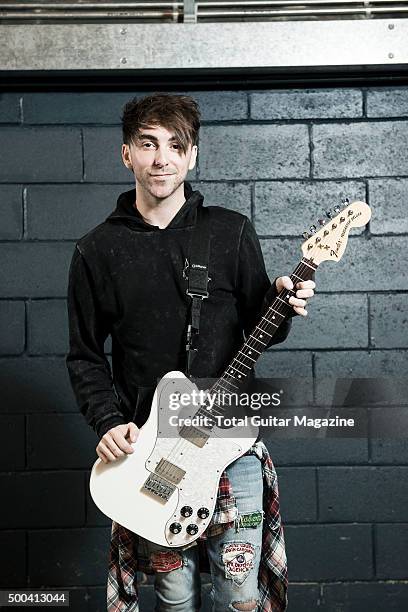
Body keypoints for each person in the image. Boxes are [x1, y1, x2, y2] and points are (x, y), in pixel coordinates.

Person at [66, 93, 315, 612]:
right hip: (153, 457)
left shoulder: (230, 232)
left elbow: (262, 331)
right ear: (126, 154)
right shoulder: (96, 250)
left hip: (233, 450)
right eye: (148, 144)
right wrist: (107, 422)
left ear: (192, 155)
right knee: (174, 597)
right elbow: (85, 354)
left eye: (175, 146)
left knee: (240, 595)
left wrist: (284, 304)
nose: (162, 159)